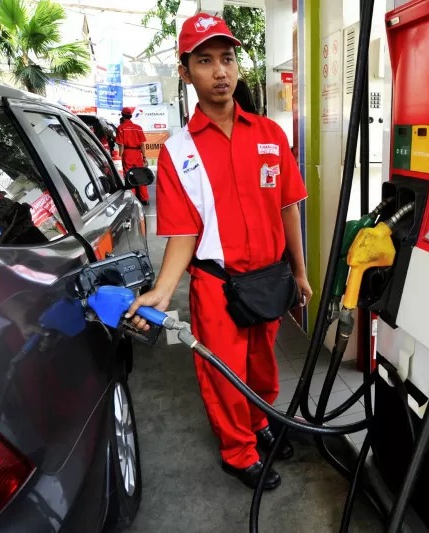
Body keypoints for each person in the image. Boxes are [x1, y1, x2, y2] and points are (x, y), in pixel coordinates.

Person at [125, 13, 312, 490]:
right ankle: (238, 451)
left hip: (270, 278)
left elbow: (289, 208)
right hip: (216, 285)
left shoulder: (270, 135)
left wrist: (301, 273)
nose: (220, 72)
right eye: (204, 61)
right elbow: (184, 232)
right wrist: (163, 292)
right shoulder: (178, 151)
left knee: (264, 363)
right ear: (185, 71)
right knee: (225, 374)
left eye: (227, 59)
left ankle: (260, 423)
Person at [116, 107, 150, 205]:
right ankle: (145, 198)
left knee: (129, 176)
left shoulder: (121, 128)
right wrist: (144, 157)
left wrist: (120, 156)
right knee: (141, 175)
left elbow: (121, 145)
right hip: (137, 154)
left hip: (127, 154)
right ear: (130, 116)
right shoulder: (138, 128)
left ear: (122, 116)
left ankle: (133, 199)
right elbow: (142, 145)